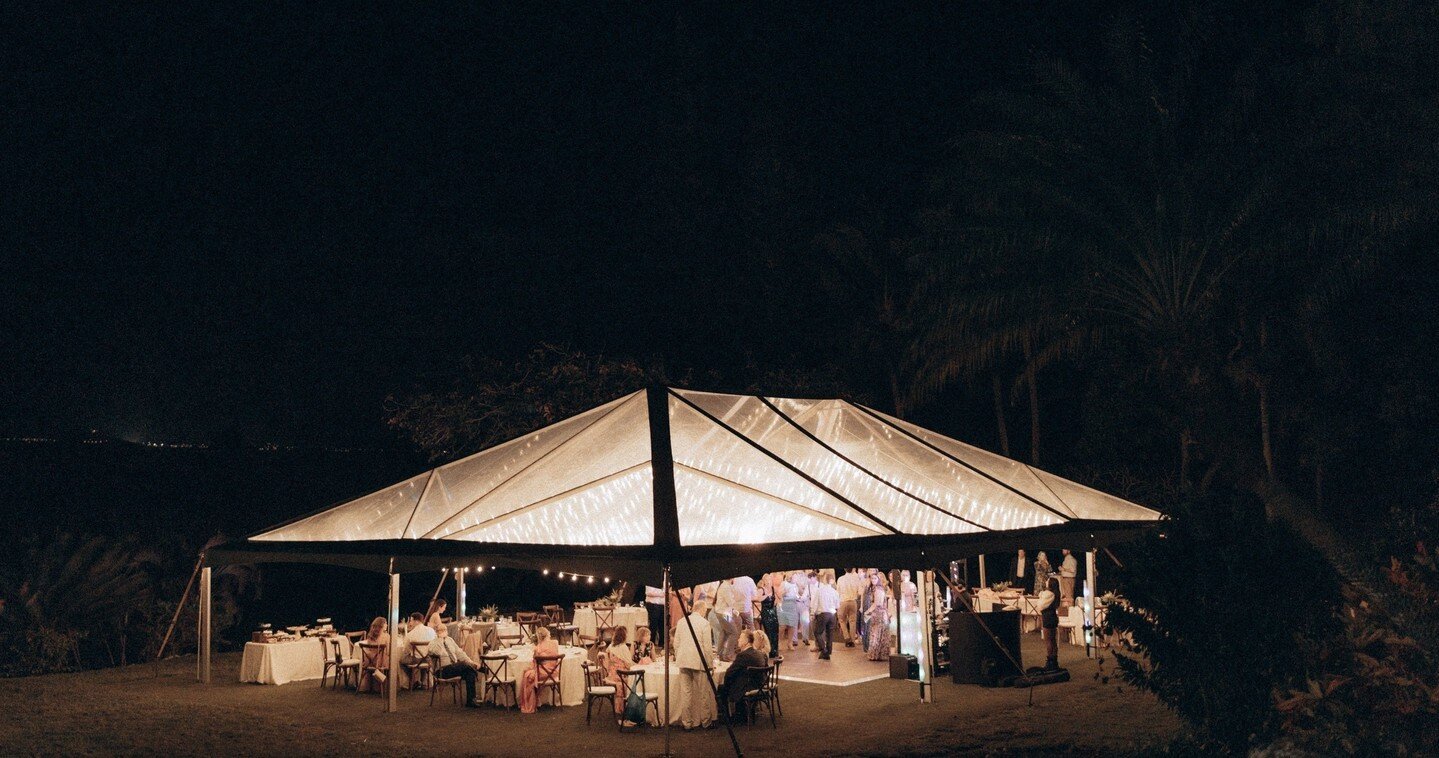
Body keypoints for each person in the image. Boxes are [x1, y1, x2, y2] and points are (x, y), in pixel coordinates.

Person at [672, 600, 717, 729]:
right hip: (699, 662)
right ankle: (706, 722)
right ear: (702, 610)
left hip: (683, 660)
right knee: (703, 693)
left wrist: (678, 655)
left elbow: (676, 643)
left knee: (686, 693)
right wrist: (710, 664)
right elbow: (707, 647)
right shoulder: (705, 623)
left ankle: (687, 723)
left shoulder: (681, 622)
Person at [718, 630, 768, 721]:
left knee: (721, 688)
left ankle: (726, 717)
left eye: (740, 639)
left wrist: (726, 684)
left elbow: (730, 672)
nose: (738, 641)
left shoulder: (743, 655)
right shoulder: (759, 653)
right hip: (759, 684)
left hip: (748, 687)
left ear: (746, 641)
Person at [428, 623, 481, 706]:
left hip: (455, 668)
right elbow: (437, 652)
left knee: (469, 672)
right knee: (464, 665)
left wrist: (471, 661)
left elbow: (460, 653)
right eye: (441, 630)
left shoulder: (450, 640)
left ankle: (471, 701)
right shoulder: (433, 643)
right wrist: (440, 640)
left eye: (445, 630)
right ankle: (478, 669)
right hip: (442, 670)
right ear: (436, 632)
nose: (443, 632)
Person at [518, 626, 561, 713]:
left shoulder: (538, 648)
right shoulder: (555, 643)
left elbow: (535, 663)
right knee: (528, 672)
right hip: (554, 671)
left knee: (527, 674)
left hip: (545, 672)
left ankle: (530, 705)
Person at [402, 611, 437, 687]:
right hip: (429, 658)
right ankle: (423, 682)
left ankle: (414, 680)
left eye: (411, 620)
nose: (410, 623)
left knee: (401, 661)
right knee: (423, 657)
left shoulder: (410, 634)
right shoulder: (431, 631)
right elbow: (435, 643)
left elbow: (406, 650)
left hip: (416, 660)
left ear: (416, 621)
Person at [357, 616, 390, 693]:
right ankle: (387, 686)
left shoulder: (370, 635)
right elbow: (388, 651)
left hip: (369, 661)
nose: (387, 625)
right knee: (394, 661)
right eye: (386, 624)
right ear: (382, 625)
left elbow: (370, 650)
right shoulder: (386, 636)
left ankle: (369, 686)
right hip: (381, 662)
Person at [864, 573, 892, 662]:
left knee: (877, 633)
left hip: (879, 614)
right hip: (878, 614)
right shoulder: (875, 589)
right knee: (877, 633)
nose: (873, 580)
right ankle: (877, 654)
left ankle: (876, 654)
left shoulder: (878, 590)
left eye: (875, 578)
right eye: (872, 578)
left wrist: (868, 611)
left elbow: (877, 603)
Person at [714, 578, 743, 661]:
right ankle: (727, 655)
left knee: (724, 632)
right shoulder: (726, 587)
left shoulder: (725, 585)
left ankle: (720, 654)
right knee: (733, 632)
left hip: (723, 613)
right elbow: (731, 602)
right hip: (724, 614)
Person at [812, 573, 840, 660]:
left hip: (823, 614)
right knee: (830, 634)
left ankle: (824, 650)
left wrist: (813, 613)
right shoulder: (835, 592)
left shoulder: (819, 590)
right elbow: (837, 605)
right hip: (832, 615)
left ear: (824, 580)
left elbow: (815, 603)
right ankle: (828, 651)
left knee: (817, 632)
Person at [1037, 574, 1061, 669]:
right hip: (1052, 617)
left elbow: (1040, 605)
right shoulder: (1055, 594)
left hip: (1048, 617)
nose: (1046, 582)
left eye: (1048, 581)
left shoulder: (1049, 594)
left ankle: (1050, 661)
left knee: (1048, 641)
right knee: (1053, 640)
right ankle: (1054, 660)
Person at [836, 568, 863, 647]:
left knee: (841, 620)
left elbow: (838, 592)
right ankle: (852, 641)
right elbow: (860, 592)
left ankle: (847, 638)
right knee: (852, 621)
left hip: (843, 601)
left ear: (845, 569)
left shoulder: (840, 579)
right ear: (852, 570)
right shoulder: (856, 579)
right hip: (853, 602)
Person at [757, 576, 780, 659]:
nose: (769, 582)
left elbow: (777, 598)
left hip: (773, 613)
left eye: (770, 580)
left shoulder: (773, 589)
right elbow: (758, 599)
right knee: (769, 632)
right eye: (767, 580)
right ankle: (769, 651)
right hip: (766, 613)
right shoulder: (761, 590)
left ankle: (775, 651)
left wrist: (776, 603)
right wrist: (766, 595)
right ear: (764, 581)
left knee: (775, 631)